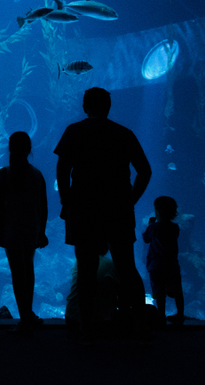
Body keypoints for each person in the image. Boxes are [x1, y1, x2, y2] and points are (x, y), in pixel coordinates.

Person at [55, 87, 152, 343]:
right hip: (117, 210)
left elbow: (62, 170)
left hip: (83, 209)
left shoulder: (74, 131)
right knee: (127, 268)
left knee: (86, 268)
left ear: (85, 106)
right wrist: (130, 200)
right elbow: (145, 171)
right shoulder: (123, 133)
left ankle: (86, 325)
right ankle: (141, 325)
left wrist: (66, 200)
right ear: (108, 107)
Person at [0, 131, 48, 335]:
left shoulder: (4, 173)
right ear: (29, 149)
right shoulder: (37, 174)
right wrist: (42, 231)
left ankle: (25, 319)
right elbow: (44, 206)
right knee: (28, 270)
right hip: (31, 228)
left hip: (11, 229)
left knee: (17, 273)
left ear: (9, 148)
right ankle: (28, 313)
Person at [142, 196, 184, 326]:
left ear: (158, 211)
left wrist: (150, 225)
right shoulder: (175, 227)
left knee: (159, 290)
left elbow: (146, 239)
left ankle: (161, 315)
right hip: (172, 264)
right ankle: (180, 314)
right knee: (177, 290)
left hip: (156, 265)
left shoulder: (154, 227)